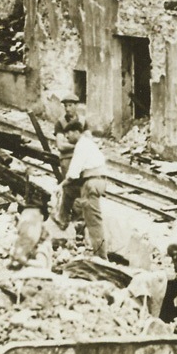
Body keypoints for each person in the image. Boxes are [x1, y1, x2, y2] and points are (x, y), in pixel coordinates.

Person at [62, 130, 108, 259]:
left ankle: (101, 258)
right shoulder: (89, 143)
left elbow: (73, 174)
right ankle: (66, 222)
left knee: (94, 223)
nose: (66, 136)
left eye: (68, 133)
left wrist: (60, 185)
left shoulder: (81, 145)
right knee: (71, 193)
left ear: (76, 132)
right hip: (98, 181)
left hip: (91, 183)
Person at [54, 94, 87, 226]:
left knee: (83, 187)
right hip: (67, 159)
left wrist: (77, 146)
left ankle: (79, 219)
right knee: (69, 188)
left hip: (82, 159)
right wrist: (78, 145)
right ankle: (65, 217)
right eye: (65, 105)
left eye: (70, 105)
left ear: (76, 106)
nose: (67, 108)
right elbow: (61, 145)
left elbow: (89, 140)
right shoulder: (60, 123)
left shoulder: (83, 121)